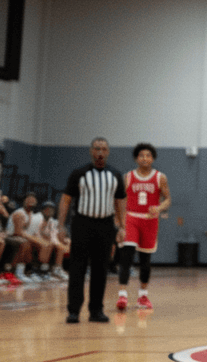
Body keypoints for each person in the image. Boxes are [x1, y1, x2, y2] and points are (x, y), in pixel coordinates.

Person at [58, 137, 126, 323]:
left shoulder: (115, 175)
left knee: (100, 269)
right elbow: (66, 200)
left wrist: (122, 227)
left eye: (103, 149)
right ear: (91, 151)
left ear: (108, 152)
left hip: (105, 226)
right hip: (82, 224)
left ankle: (96, 311)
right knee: (77, 268)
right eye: (97, 148)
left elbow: (120, 202)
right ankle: (73, 311)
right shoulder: (79, 173)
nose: (100, 152)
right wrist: (61, 225)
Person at [116, 143, 170, 312]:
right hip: (131, 218)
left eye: (148, 155)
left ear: (152, 158)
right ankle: (122, 295)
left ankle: (143, 296)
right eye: (141, 155)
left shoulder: (160, 177)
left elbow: (168, 199)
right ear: (136, 158)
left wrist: (159, 208)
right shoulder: (128, 177)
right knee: (127, 256)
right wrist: (119, 224)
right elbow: (119, 200)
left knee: (145, 260)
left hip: (149, 220)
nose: (145, 158)